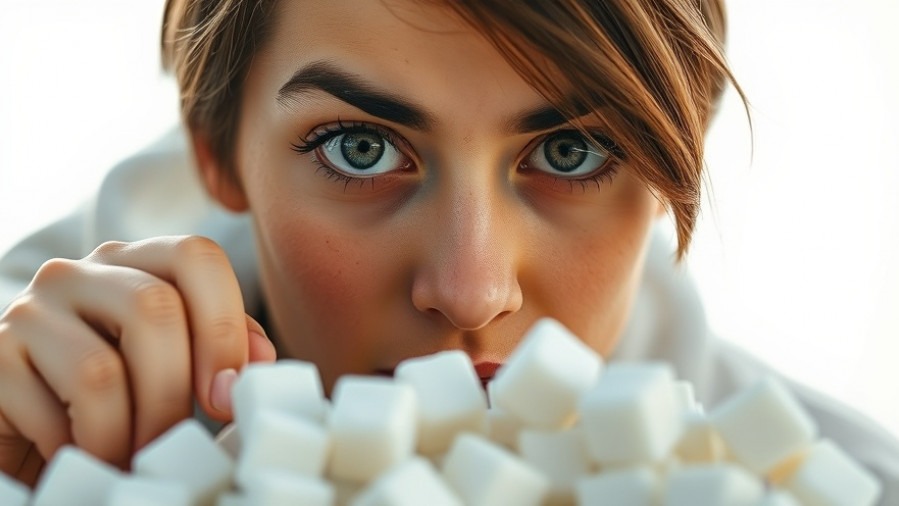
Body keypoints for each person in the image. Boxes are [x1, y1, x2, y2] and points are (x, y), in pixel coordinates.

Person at [0, 0, 896, 500]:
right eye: (360, 148)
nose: (470, 293)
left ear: (673, 170)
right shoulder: (29, 432)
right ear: (215, 153)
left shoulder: (847, 485)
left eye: (570, 152)